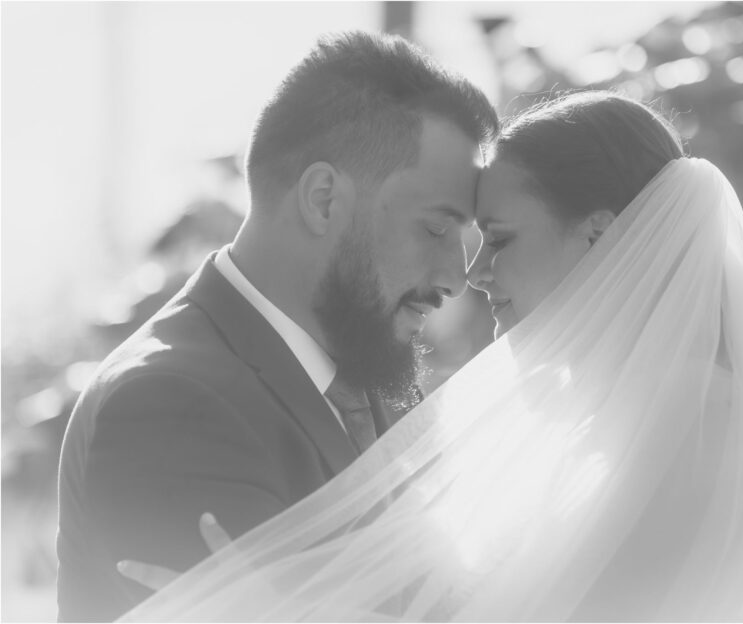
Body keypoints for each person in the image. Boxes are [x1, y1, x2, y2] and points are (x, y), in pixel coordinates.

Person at [119, 92, 743, 622]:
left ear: (600, 238)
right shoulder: (652, 420)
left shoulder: (697, 427)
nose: (476, 275)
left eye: (503, 239)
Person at [56, 30, 498, 622]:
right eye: (437, 231)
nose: (454, 277)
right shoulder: (171, 405)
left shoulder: (376, 379)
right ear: (321, 199)